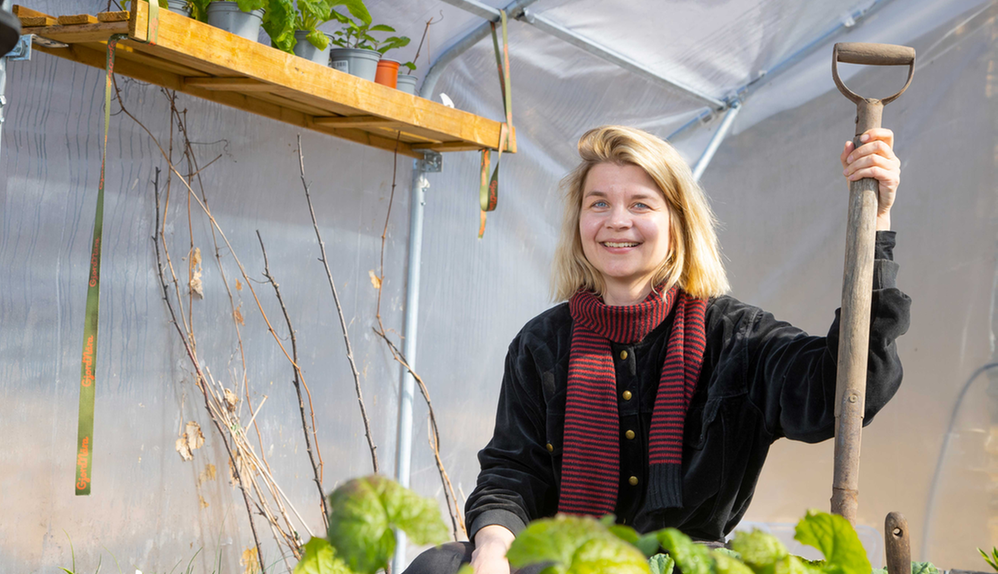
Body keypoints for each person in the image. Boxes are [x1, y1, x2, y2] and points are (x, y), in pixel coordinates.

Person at [404, 125, 909, 574]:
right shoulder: (541, 344)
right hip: (568, 561)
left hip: (689, 563)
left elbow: (841, 390)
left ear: (677, 224)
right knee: (437, 566)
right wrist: (491, 550)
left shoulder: (737, 336)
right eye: (598, 202)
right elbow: (513, 473)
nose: (616, 221)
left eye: (640, 204)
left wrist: (878, 218)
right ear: (579, 223)